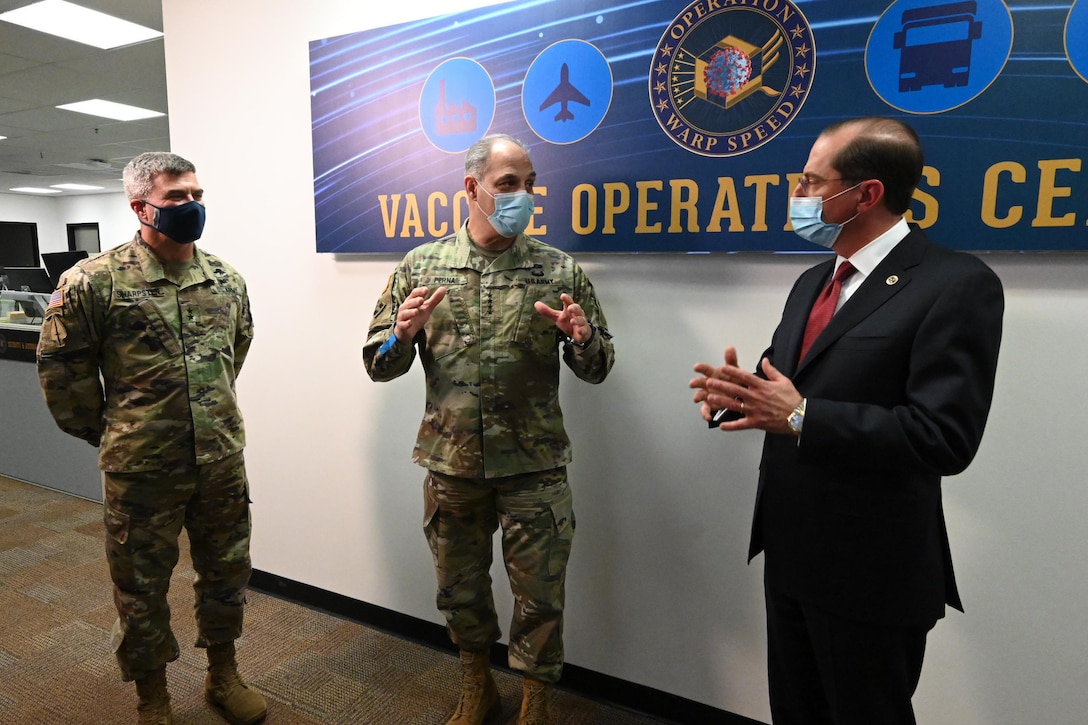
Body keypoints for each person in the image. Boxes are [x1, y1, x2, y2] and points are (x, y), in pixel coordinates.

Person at [690, 117, 1003, 724]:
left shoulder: (956, 284)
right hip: (789, 551)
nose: (798, 194)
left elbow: (946, 437)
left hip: (871, 571)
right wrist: (736, 396)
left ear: (866, 193)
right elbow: (783, 384)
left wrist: (804, 416)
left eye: (811, 181)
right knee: (797, 711)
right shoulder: (813, 281)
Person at [364, 133, 614, 725]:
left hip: (535, 467)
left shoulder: (559, 270)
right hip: (452, 466)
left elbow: (600, 369)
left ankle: (535, 703)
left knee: (541, 597)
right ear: (472, 188)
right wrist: (402, 334)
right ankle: (477, 687)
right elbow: (379, 366)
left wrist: (582, 339)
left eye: (529, 184)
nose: (523, 195)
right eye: (508, 184)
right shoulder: (421, 267)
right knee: (460, 588)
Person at [36, 152, 266, 725]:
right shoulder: (94, 281)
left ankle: (223, 674)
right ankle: (153, 697)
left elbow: (233, 355)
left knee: (226, 572)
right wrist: (117, 432)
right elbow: (63, 374)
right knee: (141, 588)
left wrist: (202, 415)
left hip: (218, 460)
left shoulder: (226, 279)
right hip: (140, 469)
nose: (191, 207)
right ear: (140, 207)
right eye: (175, 199)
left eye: (196, 194)